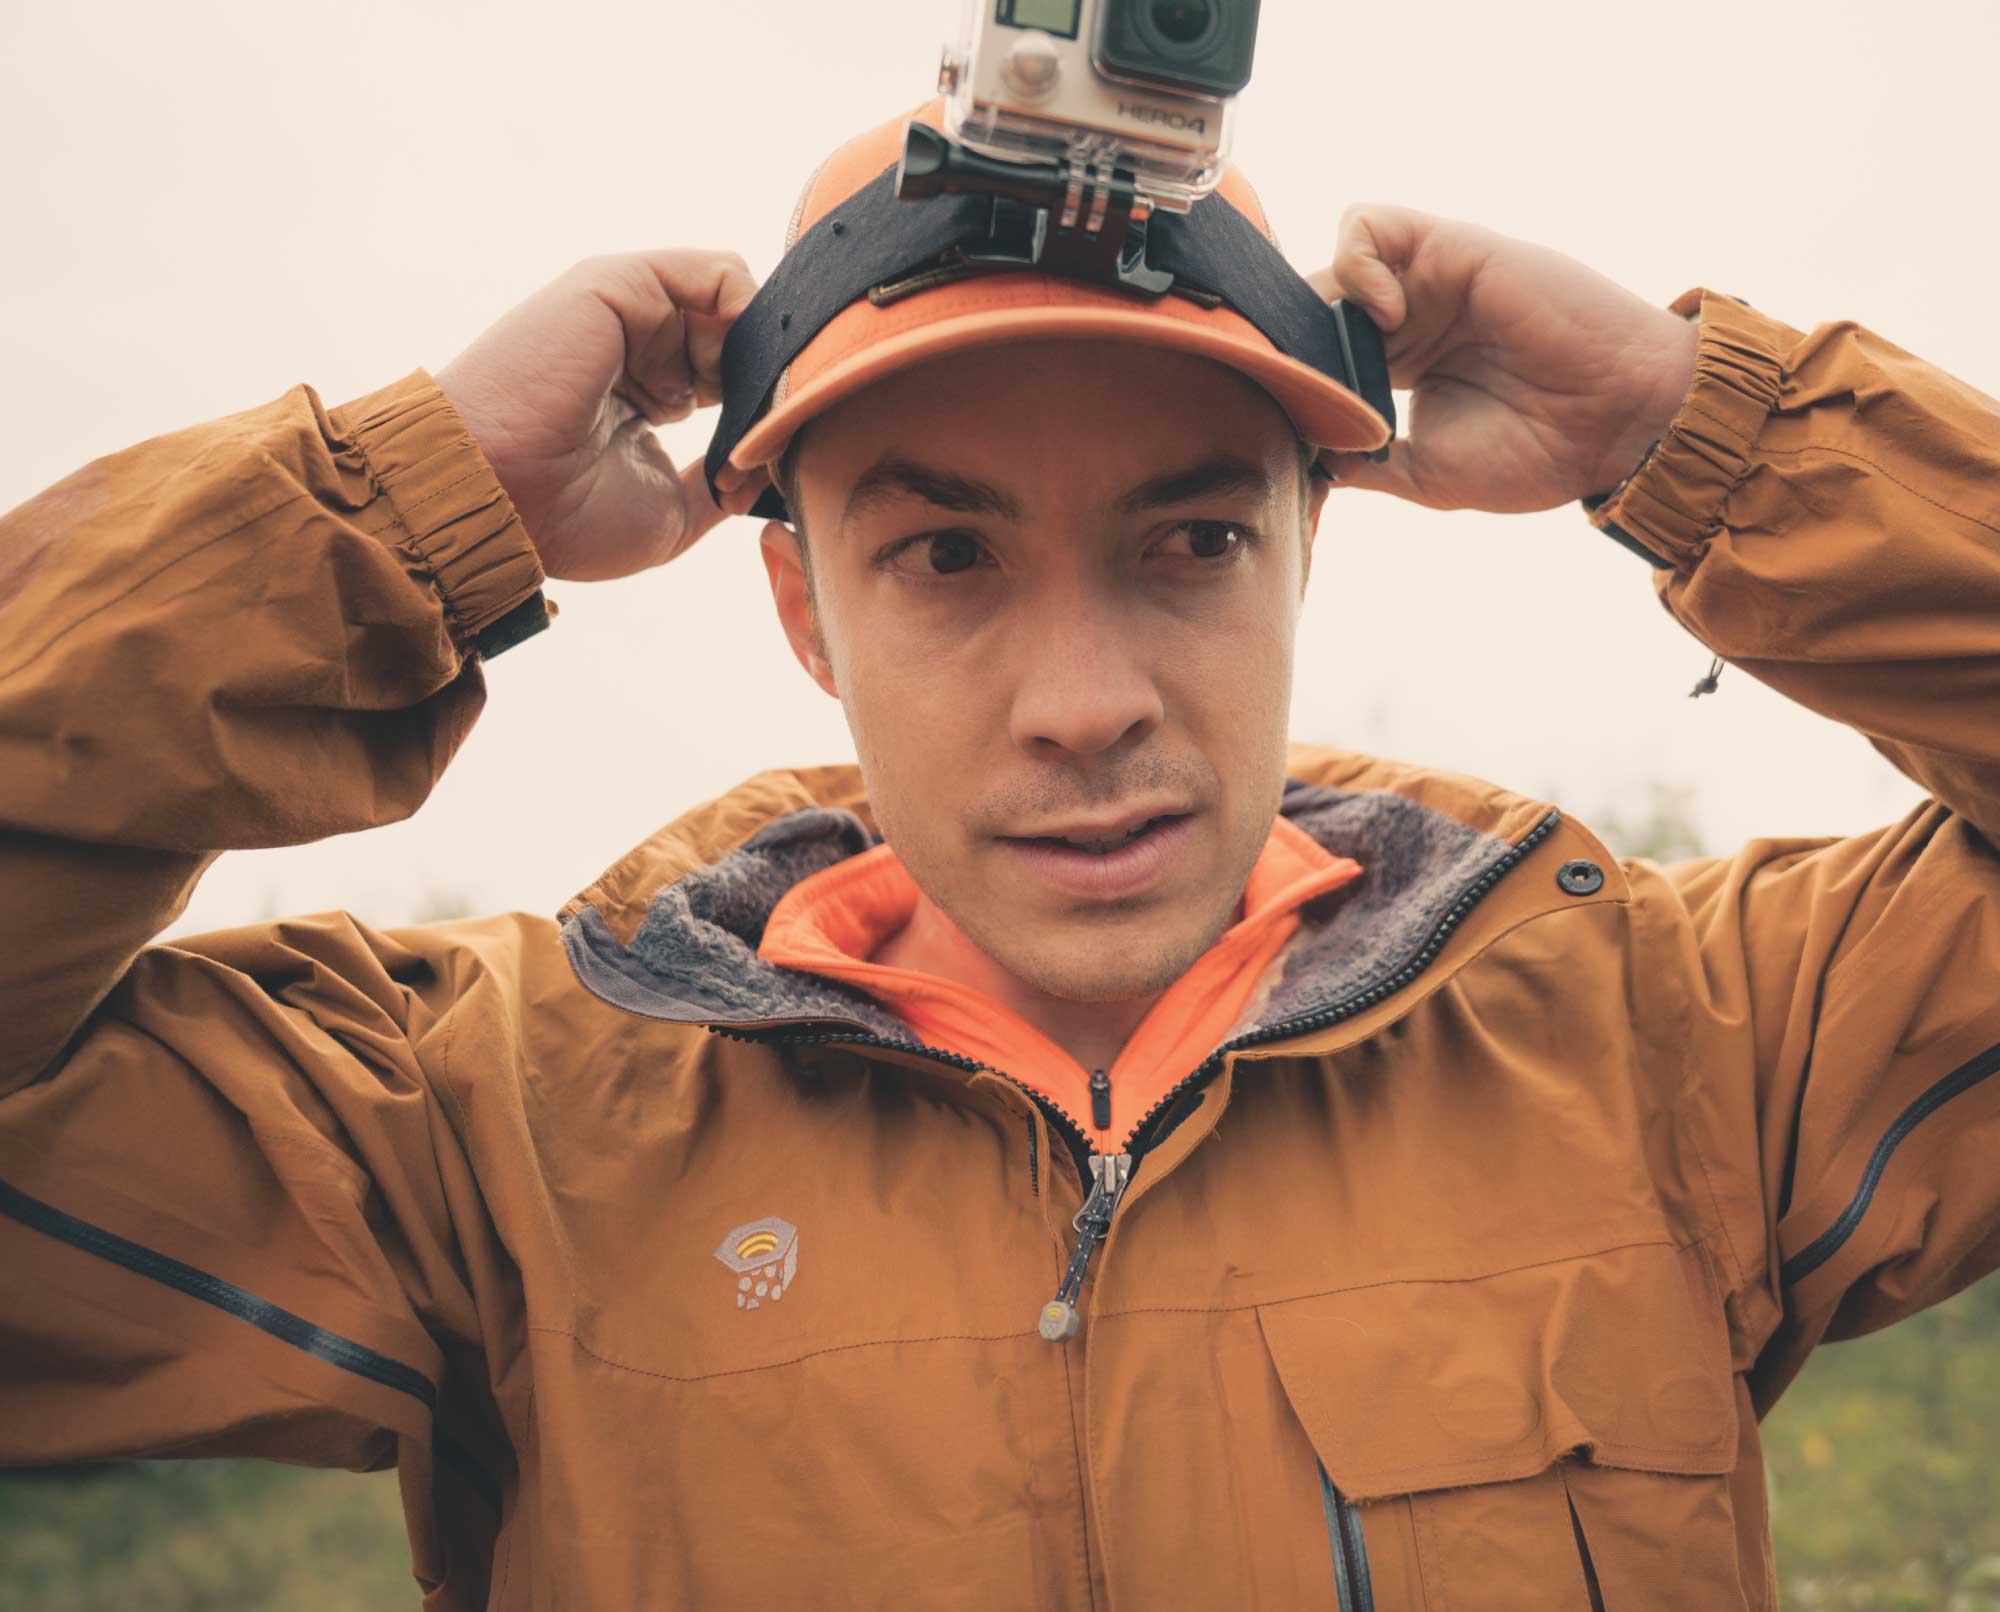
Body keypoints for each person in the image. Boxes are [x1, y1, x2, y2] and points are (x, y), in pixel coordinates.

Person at [3, 95, 1997, 1611]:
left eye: (1191, 540)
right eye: (946, 554)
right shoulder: (474, 1125)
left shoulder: (1672, 1033)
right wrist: (384, 521)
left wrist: (1692, 426)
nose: (1083, 702)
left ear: (1306, 552)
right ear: (804, 609)